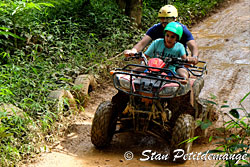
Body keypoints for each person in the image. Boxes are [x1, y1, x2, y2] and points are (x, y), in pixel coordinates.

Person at [124, 5, 198, 65]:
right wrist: (133, 51)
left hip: (177, 61)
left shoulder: (182, 29)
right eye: (162, 19)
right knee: (142, 67)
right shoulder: (156, 29)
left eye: (168, 19)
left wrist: (194, 57)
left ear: (175, 19)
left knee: (182, 74)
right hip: (157, 61)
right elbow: (142, 43)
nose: (165, 22)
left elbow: (192, 45)